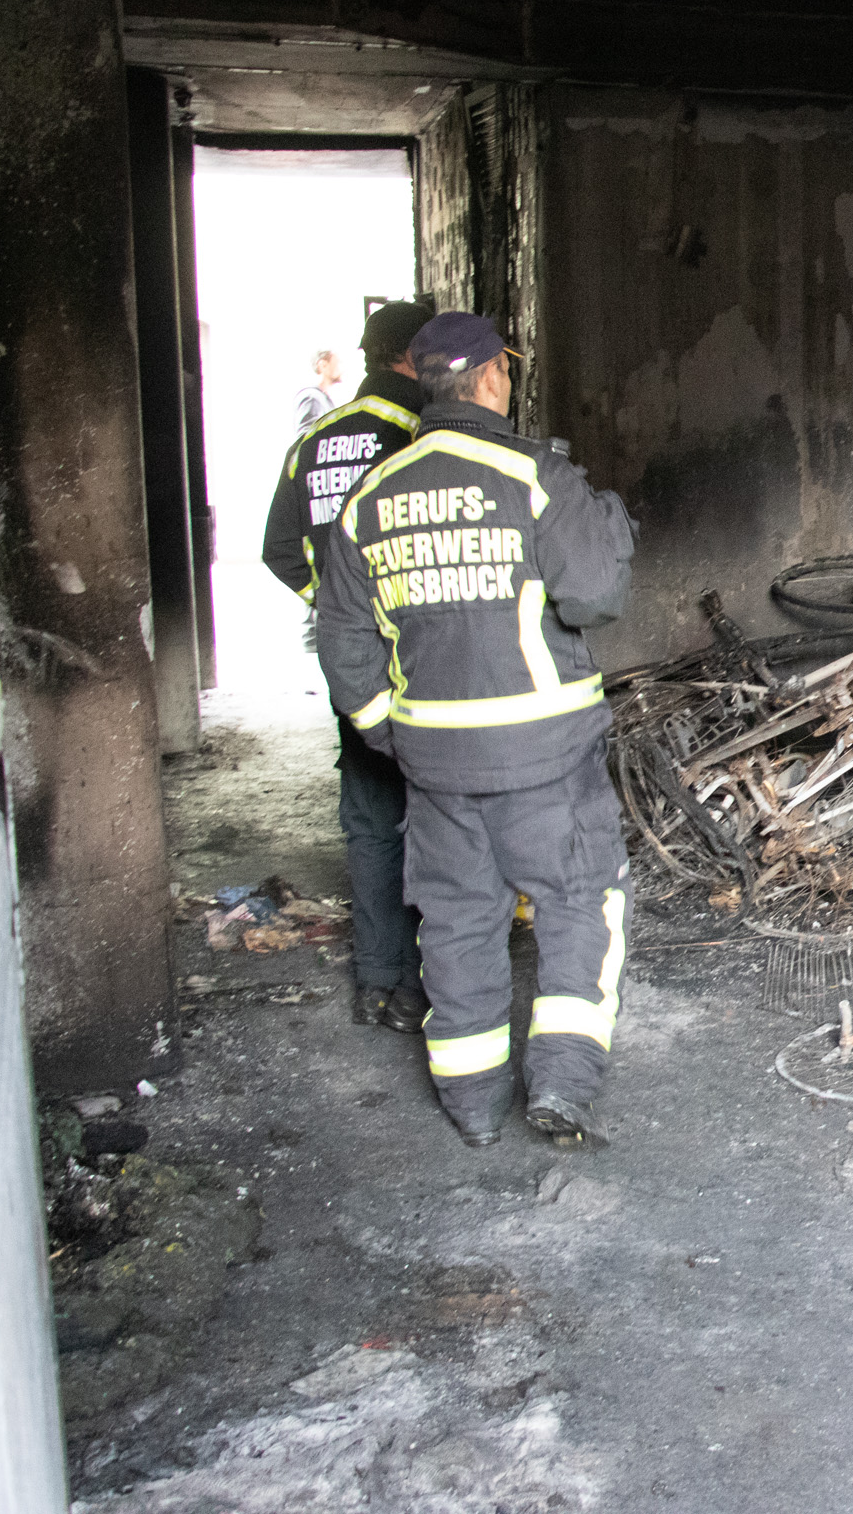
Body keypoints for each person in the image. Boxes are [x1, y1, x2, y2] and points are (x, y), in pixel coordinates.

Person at [315, 312, 637, 1150]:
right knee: (578, 900)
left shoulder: (369, 498)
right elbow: (594, 595)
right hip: (546, 755)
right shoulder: (533, 475)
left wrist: (393, 730)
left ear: (424, 380)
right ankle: (562, 1085)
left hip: (436, 764)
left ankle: (473, 1104)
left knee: (456, 919)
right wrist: (607, 522)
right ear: (494, 375)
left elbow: (343, 644)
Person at [263, 300, 436, 1028]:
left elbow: (279, 549)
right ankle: (429, 986)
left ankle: (375, 979)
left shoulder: (315, 441)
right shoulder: (425, 438)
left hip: (349, 656)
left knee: (368, 816)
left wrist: (339, 609)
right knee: (440, 814)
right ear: (413, 359)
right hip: (424, 653)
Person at [293, 348, 343, 431]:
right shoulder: (313, 397)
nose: (342, 369)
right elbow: (306, 437)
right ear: (323, 365)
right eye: (338, 362)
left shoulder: (321, 398)